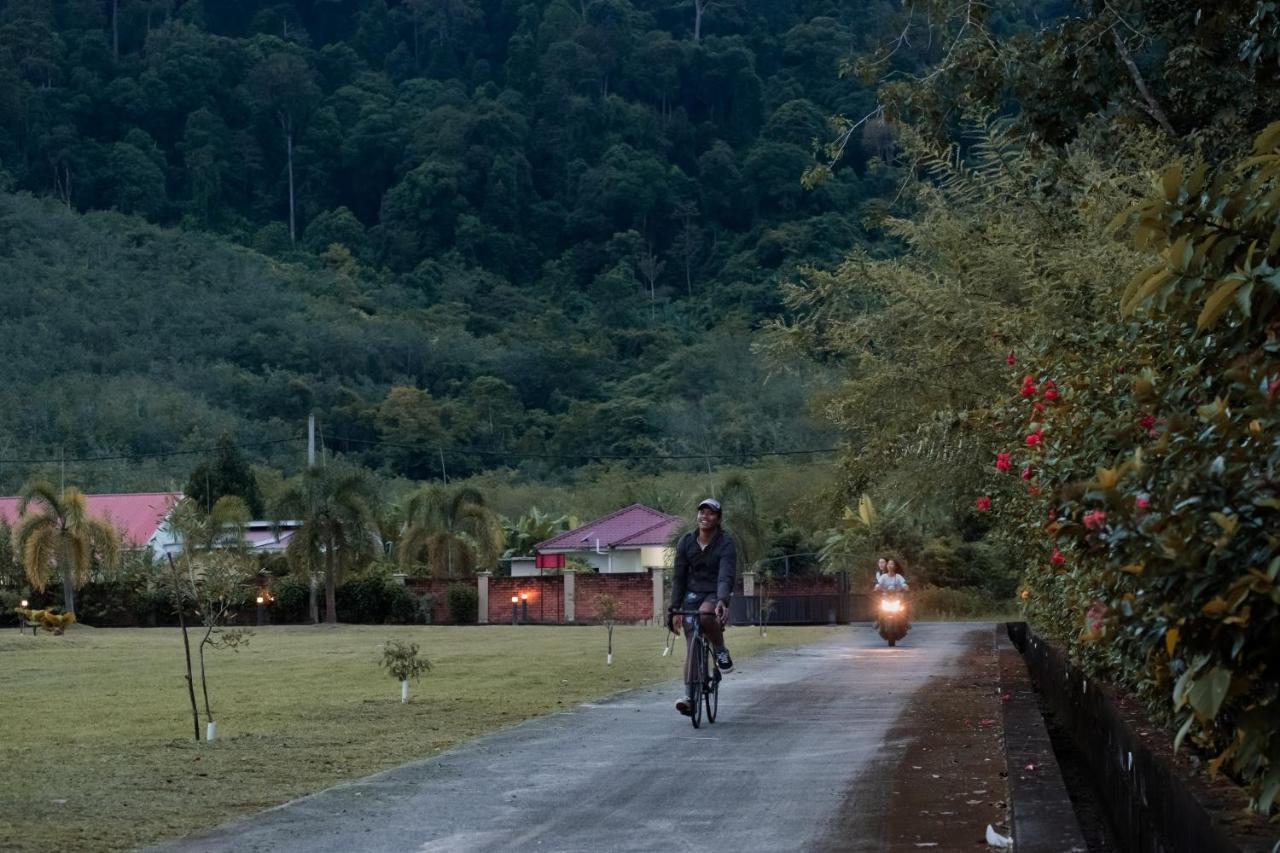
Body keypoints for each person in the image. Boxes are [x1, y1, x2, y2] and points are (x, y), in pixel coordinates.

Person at [668, 497, 736, 717]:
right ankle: (689, 696)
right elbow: (678, 577)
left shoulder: (725, 543)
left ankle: (720, 649)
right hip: (691, 594)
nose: (705, 516)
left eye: (711, 513)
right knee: (692, 645)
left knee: (706, 615)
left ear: (718, 519)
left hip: (715, 592)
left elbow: (725, 575)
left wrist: (723, 601)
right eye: (701, 512)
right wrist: (675, 608)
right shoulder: (686, 542)